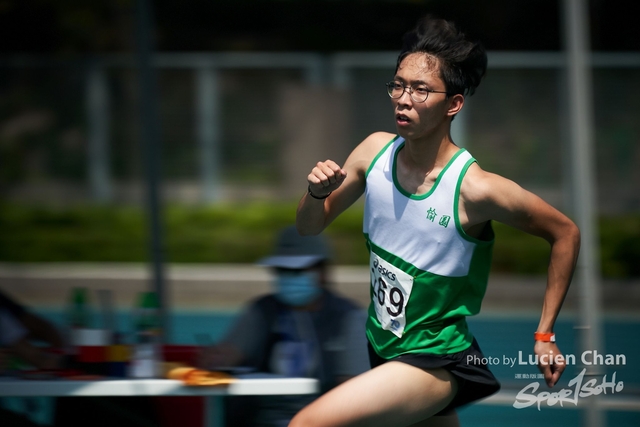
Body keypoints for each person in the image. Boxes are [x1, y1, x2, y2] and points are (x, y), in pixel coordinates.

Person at [293, 15, 580, 427]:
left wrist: (545, 334)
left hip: (433, 360)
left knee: (307, 424)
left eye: (421, 89)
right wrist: (316, 194)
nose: (403, 98)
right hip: (383, 345)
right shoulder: (374, 152)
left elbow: (565, 232)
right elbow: (308, 226)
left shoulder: (476, 189)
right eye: (398, 84)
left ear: (454, 104)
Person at [199, 225, 369, 427]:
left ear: (323, 271)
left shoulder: (348, 317)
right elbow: (226, 356)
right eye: (282, 270)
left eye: (297, 270)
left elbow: (351, 393)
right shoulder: (261, 311)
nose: (288, 276)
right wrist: (214, 359)